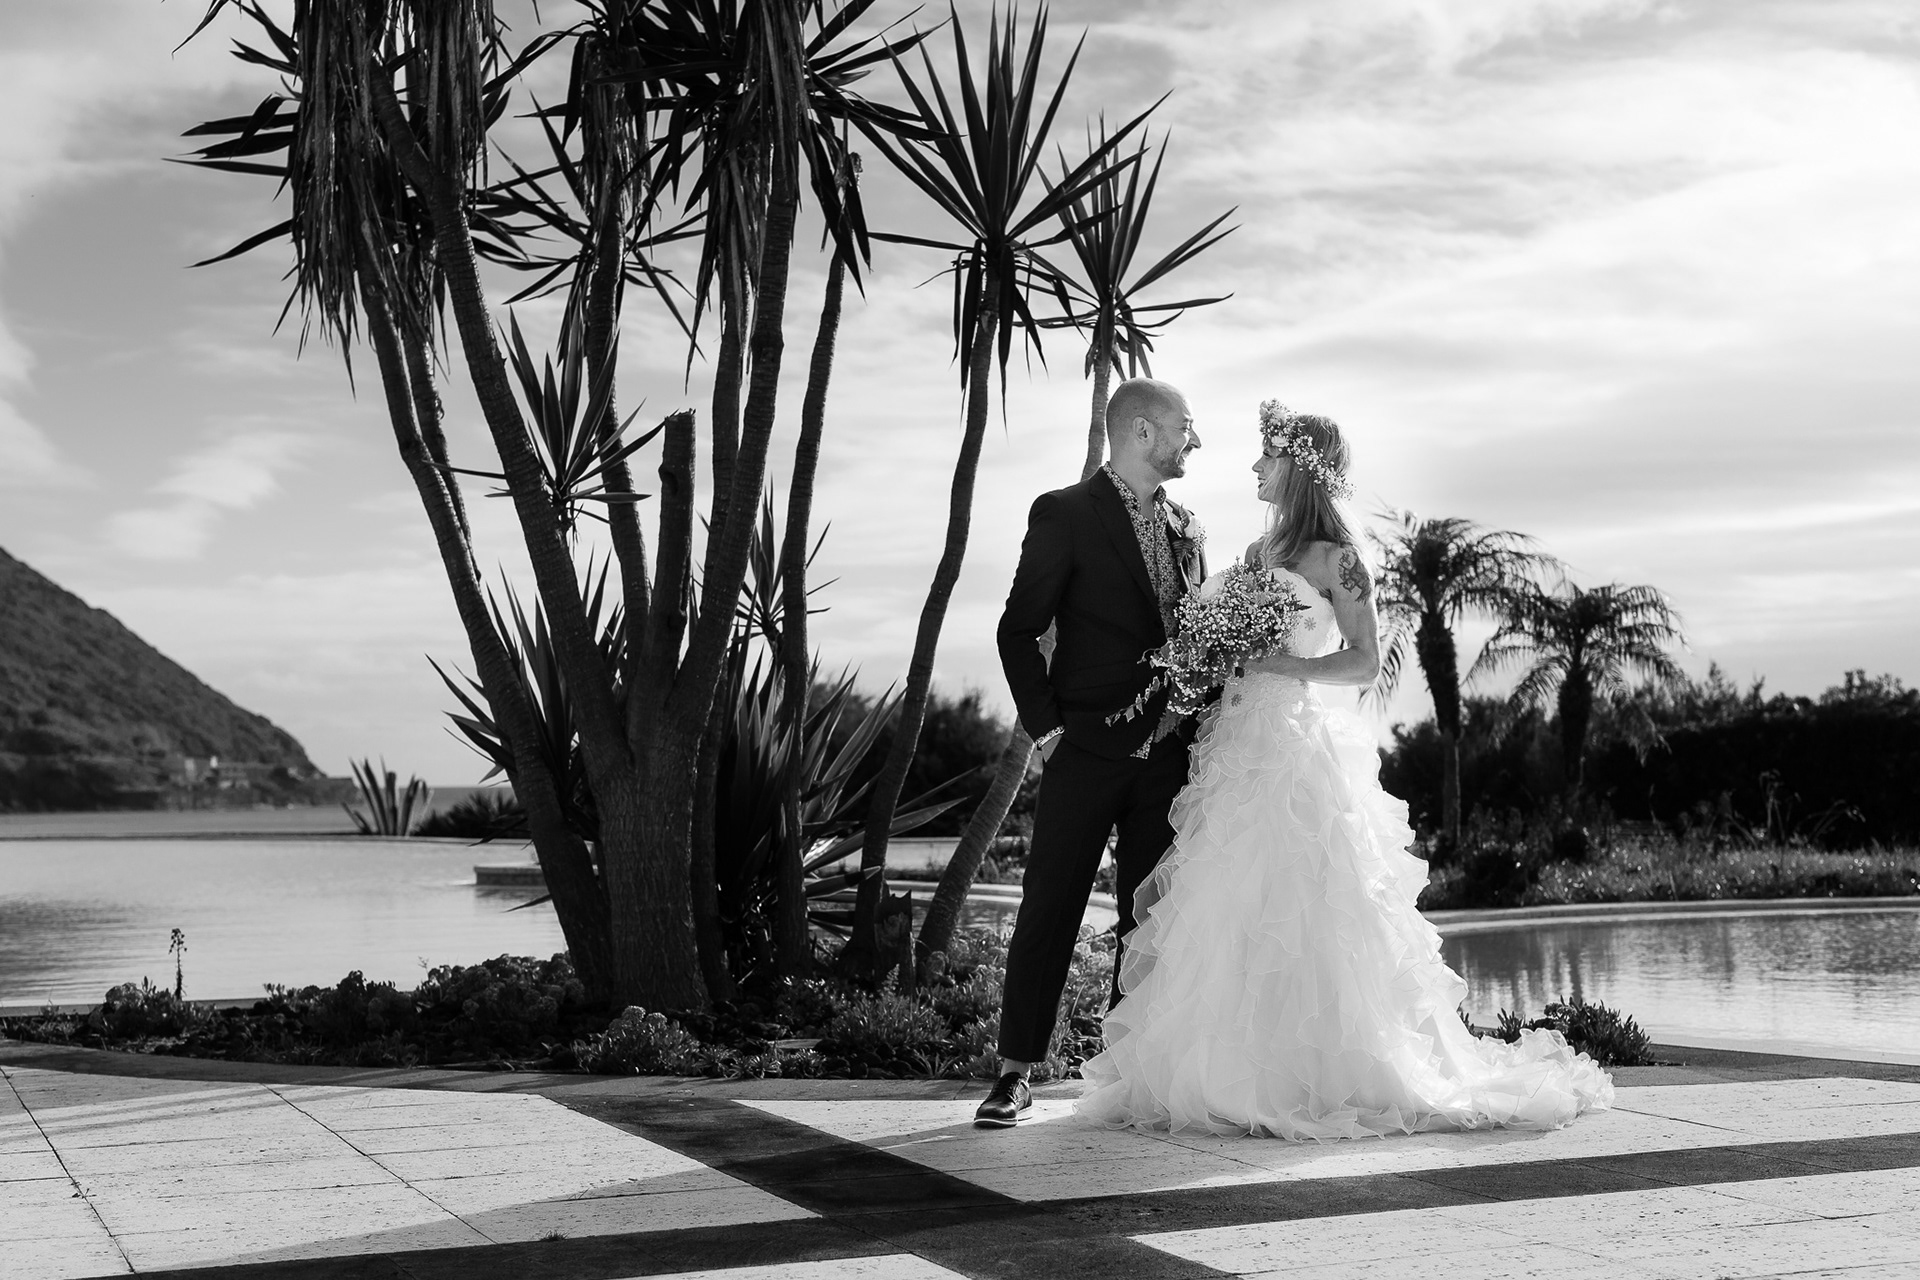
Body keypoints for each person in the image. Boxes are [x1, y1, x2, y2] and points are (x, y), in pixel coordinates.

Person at [1073, 402, 1613, 1139]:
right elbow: (1222, 642)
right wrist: (1206, 655)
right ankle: (1225, 1074)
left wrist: (1279, 664)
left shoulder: (1339, 559)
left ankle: (1314, 1076)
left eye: (1267, 456)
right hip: (1233, 745)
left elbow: (1362, 660)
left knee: (1303, 904)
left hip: (1293, 746)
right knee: (1227, 905)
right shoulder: (1259, 552)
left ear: (1300, 468)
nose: (1256, 466)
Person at [976, 377, 1209, 1128]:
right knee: (1050, 907)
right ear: (1142, 431)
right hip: (1082, 750)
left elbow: (1193, 638)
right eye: (1184, 426)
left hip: (1167, 757)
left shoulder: (1189, 528)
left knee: (1149, 921)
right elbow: (1018, 630)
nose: (1194, 440)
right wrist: (1048, 734)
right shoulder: (1065, 513)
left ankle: (1124, 1077)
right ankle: (1014, 1073)